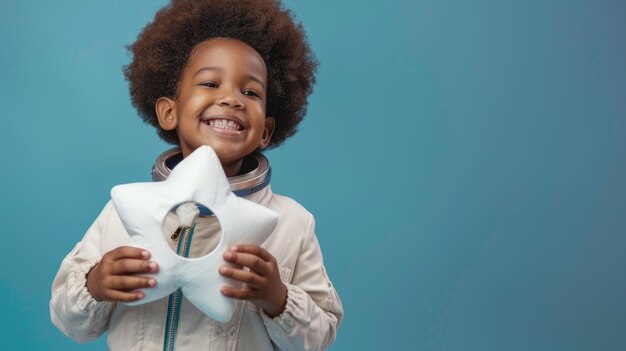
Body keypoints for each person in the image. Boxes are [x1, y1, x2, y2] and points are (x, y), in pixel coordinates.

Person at [49, 0, 343, 350]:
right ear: (169, 112)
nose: (231, 99)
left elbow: (320, 335)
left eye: (250, 92)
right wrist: (95, 284)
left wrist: (278, 299)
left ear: (265, 130)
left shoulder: (291, 223)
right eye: (210, 83)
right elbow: (69, 322)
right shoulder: (120, 214)